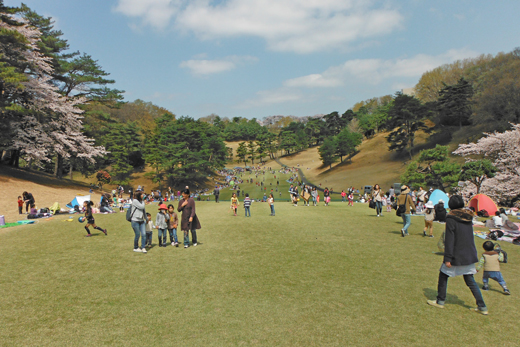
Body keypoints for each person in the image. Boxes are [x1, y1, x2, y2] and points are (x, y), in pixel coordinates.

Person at [427, 195, 488, 315]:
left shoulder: (451, 218)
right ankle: (482, 307)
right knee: (470, 280)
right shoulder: (468, 217)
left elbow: (450, 239)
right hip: (468, 253)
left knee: (443, 276)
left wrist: (448, 258)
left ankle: (440, 301)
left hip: (456, 254)